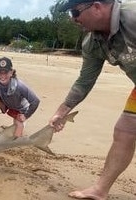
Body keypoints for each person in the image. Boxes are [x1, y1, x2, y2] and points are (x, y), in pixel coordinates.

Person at [50, 0, 136, 199]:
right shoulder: (92, 42)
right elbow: (84, 82)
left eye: (75, 12)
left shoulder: (132, 16)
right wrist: (61, 112)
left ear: (96, 7)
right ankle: (100, 190)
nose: (73, 20)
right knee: (124, 130)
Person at [0, 57, 40, 141]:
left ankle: (18, 126)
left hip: (19, 110)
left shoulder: (20, 85)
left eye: (6, 73)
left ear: (11, 73)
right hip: (6, 104)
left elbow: (35, 101)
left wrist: (26, 116)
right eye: (0, 72)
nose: (3, 76)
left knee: (16, 138)